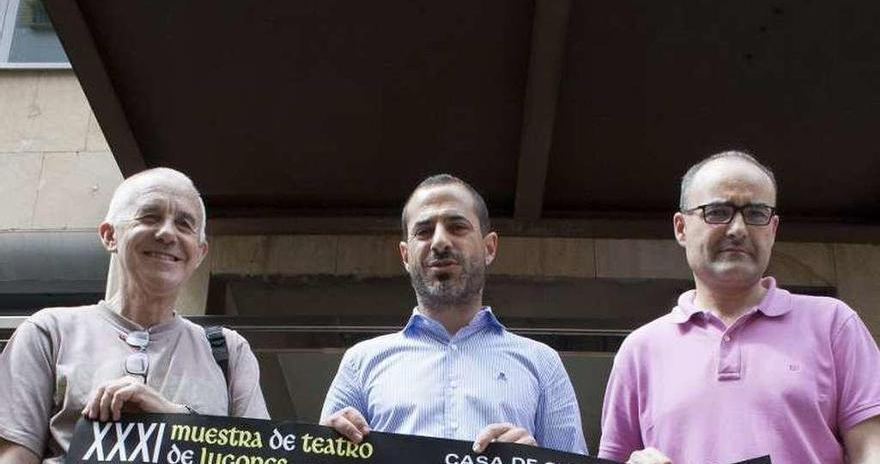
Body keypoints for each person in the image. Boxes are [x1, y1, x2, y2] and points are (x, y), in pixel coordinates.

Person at [598, 151, 880, 464]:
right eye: (717, 211)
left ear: (772, 229)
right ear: (681, 228)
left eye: (756, 214)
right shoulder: (641, 350)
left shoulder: (833, 325)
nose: (738, 229)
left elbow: (872, 448)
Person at [0, 168, 269, 464]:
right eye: (150, 217)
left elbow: (259, 457)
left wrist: (173, 419)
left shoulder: (229, 351)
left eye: (184, 224)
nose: (167, 233)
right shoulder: (49, 332)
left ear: (200, 253)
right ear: (110, 235)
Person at [320, 174, 587, 455]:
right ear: (405, 256)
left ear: (489, 247)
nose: (439, 242)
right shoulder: (360, 364)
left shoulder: (542, 364)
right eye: (423, 231)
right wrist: (321, 452)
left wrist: (535, 462)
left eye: (457, 227)